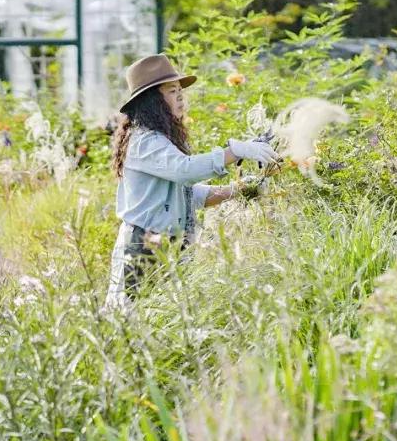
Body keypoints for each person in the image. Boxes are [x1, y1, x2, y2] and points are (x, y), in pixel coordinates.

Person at [106, 54, 279, 307]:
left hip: (172, 246)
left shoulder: (161, 139)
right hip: (143, 247)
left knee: (169, 327)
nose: (179, 96)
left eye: (180, 91)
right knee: (130, 324)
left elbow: (188, 194)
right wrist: (235, 151)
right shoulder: (144, 141)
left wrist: (240, 190)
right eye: (171, 91)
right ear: (151, 101)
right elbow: (185, 170)